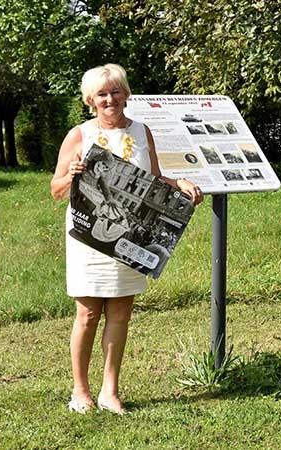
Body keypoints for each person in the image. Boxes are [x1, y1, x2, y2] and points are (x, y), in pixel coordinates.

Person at [50, 64, 204, 415]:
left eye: (116, 91)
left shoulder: (142, 131)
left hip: (130, 237)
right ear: (91, 99)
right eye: (102, 94)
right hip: (89, 239)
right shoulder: (80, 135)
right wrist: (70, 176)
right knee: (87, 314)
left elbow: (153, 179)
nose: (110, 99)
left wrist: (179, 184)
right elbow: (56, 189)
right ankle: (80, 391)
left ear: (126, 94)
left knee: (121, 311)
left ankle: (110, 391)